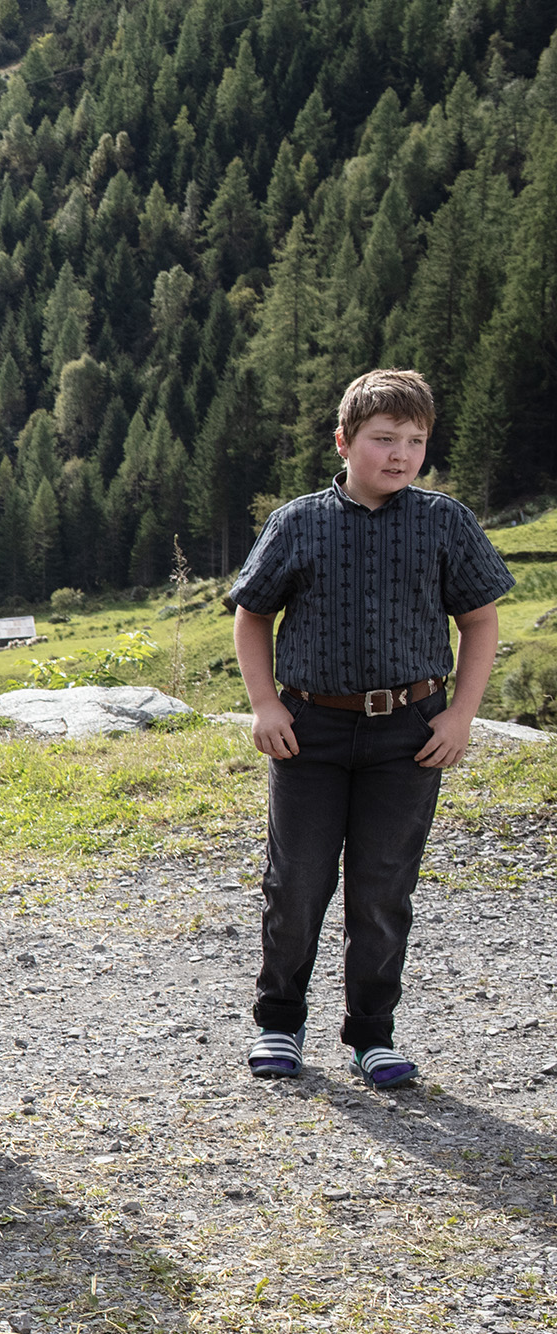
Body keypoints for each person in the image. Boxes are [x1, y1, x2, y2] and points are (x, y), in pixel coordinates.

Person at [231, 367, 510, 1087]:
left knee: (384, 888)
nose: (400, 454)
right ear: (344, 441)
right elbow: (252, 613)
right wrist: (265, 704)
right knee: (296, 884)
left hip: (410, 732)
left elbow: (479, 618)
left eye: (415, 440)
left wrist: (460, 714)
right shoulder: (297, 522)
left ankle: (371, 1034)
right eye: (384, 439)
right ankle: (279, 1025)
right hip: (310, 730)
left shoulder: (445, 520)